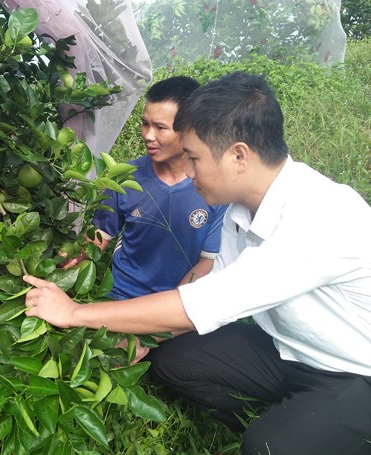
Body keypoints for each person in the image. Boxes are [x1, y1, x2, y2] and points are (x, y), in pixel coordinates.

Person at [23, 71, 371, 454]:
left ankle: (309, 424)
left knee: (266, 446)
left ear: (238, 155)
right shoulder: (241, 206)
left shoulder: (320, 217)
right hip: (285, 349)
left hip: (354, 371)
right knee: (172, 361)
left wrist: (74, 313)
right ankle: (291, 412)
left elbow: (200, 306)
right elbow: (210, 281)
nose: (188, 172)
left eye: (194, 158)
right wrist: (144, 336)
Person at [63, 76, 228, 302]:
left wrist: (167, 311)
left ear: (192, 128)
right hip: (121, 299)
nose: (148, 135)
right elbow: (100, 235)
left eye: (161, 128)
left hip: (179, 304)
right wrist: (68, 259)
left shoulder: (216, 188)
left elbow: (207, 261)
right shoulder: (125, 176)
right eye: (145, 124)